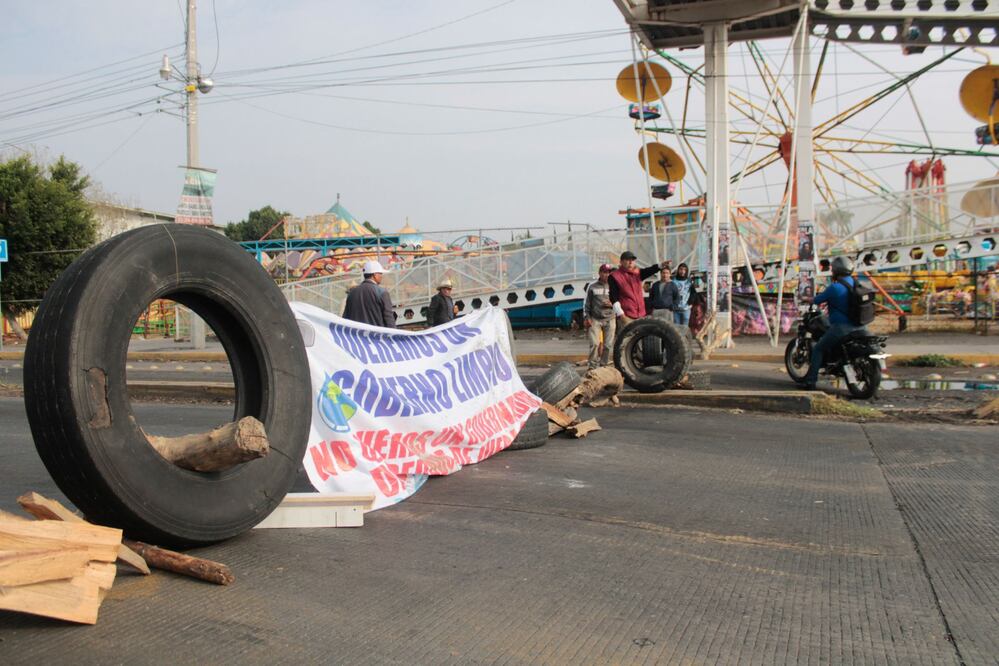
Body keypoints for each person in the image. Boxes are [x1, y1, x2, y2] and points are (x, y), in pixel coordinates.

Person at [800, 255, 865, 389]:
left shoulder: (835, 288)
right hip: (861, 326)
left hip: (841, 328)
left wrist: (806, 298)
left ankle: (810, 382)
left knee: (818, 349)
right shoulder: (856, 283)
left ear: (835, 271)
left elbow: (817, 300)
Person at [608, 250, 669, 325]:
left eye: (632, 260)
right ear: (621, 262)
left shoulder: (637, 273)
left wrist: (660, 265)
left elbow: (649, 270)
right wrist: (621, 315)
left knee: (643, 336)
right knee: (628, 337)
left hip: (641, 315)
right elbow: (613, 298)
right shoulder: (614, 276)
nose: (631, 262)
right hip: (627, 317)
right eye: (627, 260)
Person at [342, 260, 395, 328]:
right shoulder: (382, 292)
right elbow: (389, 319)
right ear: (375, 275)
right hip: (376, 336)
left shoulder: (351, 294)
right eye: (380, 273)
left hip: (357, 336)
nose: (382, 276)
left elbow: (346, 319)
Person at [583, 264, 616, 369]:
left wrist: (612, 304)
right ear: (600, 273)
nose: (607, 275)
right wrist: (586, 317)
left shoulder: (615, 286)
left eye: (609, 272)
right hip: (595, 319)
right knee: (595, 344)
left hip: (610, 318)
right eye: (605, 272)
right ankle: (592, 367)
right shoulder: (592, 286)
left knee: (607, 345)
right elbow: (586, 303)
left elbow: (622, 302)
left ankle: (604, 366)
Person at [672, 263, 693, 327]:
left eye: (684, 270)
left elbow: (693, 293)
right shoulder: (673, 281)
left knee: (685, 327)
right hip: (676, 309)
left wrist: (691, 302)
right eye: (681, 269)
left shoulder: (689, 281)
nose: (682, 271)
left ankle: (684, 337)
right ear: (678, 270)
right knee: (676, 327)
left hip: (686, 308)